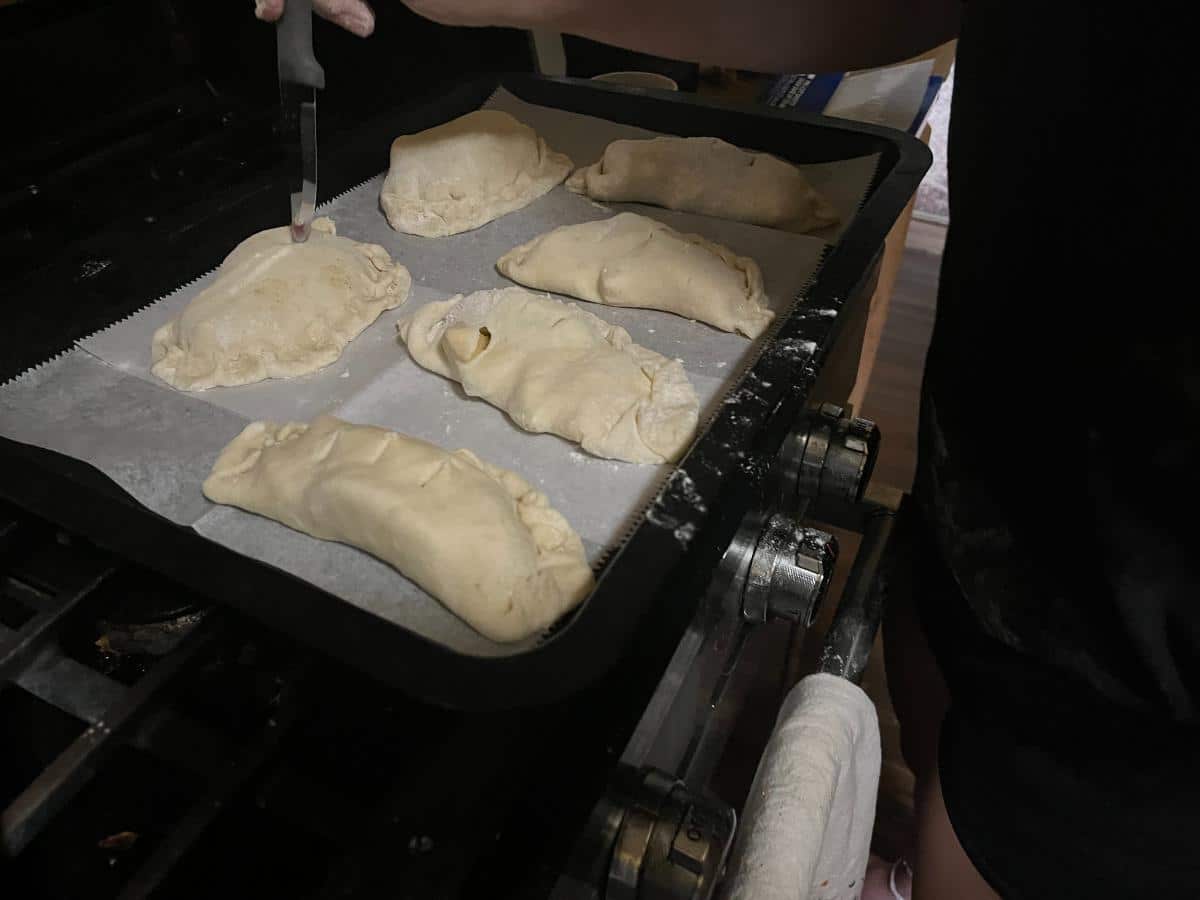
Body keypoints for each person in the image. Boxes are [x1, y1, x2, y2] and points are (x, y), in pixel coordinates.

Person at [256, 2, 1200, 896]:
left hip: (1152, 673)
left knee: (1001, 839)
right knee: (934, 700)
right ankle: (910, 848)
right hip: (1010, 479)